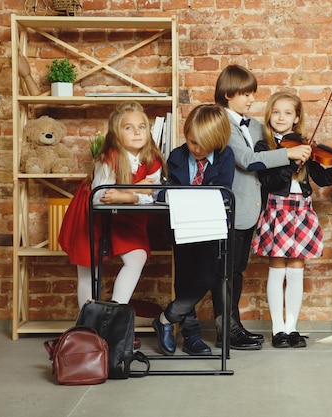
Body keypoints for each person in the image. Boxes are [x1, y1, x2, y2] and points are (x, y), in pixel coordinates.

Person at [211, 64, 312, 350]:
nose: (251, 100)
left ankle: (233, 327)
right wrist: (288, 154)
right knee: (225, 271)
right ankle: (225, 329)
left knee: (237, 269)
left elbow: (270, 144)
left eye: (252, 94)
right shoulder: (221, 122)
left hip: (251, 209)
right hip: (231, 207)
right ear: (228, 93)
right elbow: (247, 160)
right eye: (246, 94)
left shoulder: (253, 125)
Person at [252, 92, 332, 348]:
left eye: (287, 113)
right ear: (269, 116)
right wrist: (289, 158)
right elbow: (269, 181)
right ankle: (277, 330)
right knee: (277, 269)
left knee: (296, 271)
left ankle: (292, 328)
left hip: (302, 211)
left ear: (296, 118)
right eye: (276, 112)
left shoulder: (305, 146)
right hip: (276, 210)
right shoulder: (265, 147)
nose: (281, 117)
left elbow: (322, 179)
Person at [59, 102, 165, 314]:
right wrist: (135, 192)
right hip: (91, 215)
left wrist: (127, 196)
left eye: (141, 127)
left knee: (137, 257)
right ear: (116, 134)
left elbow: (153, 195)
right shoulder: (108, 159)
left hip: (127, 216)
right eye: (129, 127)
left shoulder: (152, 160)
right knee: (89, 269)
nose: (137, 132)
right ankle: (89, 326)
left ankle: (113, 317)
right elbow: (101, 197)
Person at [151, 104, 235, 356]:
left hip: (209, 230)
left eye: (202, 145)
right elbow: (164, 191)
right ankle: (192, 336)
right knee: (185, 281)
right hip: (182, 229)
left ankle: (165, 319)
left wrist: (189, 197)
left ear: (217, 141)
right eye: (191, 142)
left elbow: (223, 191)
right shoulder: (176, 156)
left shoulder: (225, 157)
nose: (195, 149)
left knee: (206, 279)